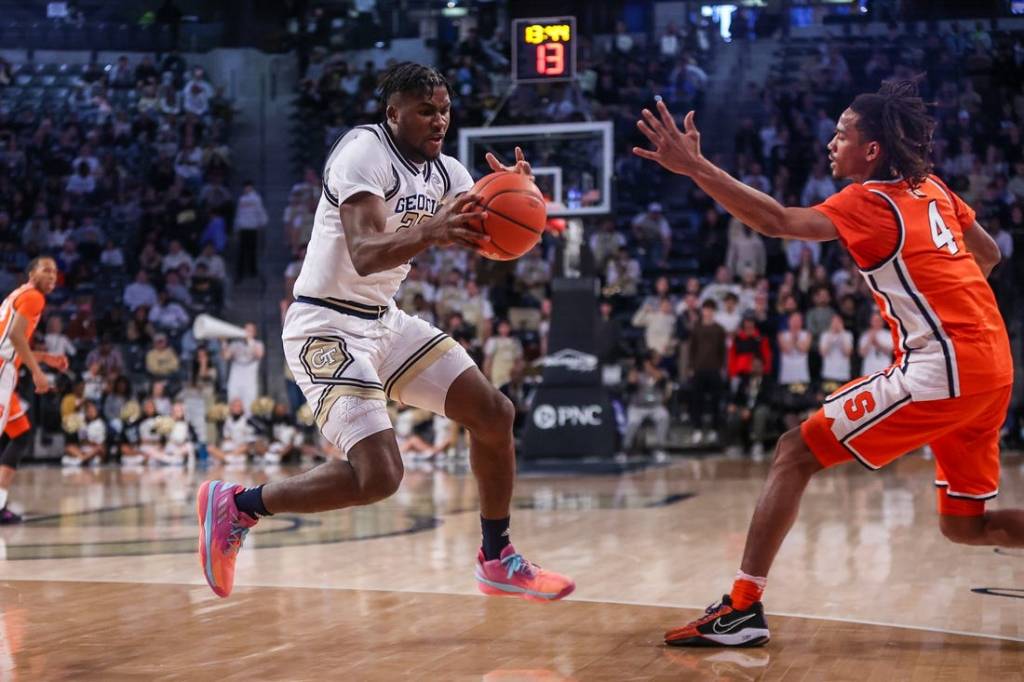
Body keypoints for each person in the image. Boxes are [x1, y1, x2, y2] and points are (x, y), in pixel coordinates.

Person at [635, 81, 1017, 647]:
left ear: (872, 151)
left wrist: (696, 167)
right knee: (965, 526)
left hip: (948, 369)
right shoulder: (931, 187)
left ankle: (742, 609)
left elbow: (775, 222)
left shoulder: (871, 200)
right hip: (995, 367)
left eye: (842, 134)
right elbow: (988, 255)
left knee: (793, 452)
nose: (830, 142)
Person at [196, 62, 574, 601]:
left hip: (383, 320)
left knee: (494, 413)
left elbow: (488, 264)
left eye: (444, 110)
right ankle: (238, 506)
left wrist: (517, 211)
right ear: (393, 113)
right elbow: (366, 252)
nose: (439, 120)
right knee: (379, 477)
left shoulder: (450, 176)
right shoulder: (363, 151)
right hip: (323, 326)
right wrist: (434, 229)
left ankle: (496, 556)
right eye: (426, 110)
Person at [0, 258, 68, 523]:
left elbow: (10, 341)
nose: (52, 275)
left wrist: (45, 358)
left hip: (7, 368)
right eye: (46, 270)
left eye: (55, 272)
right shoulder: (34, 297)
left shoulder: (19, 295)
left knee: (21, 434)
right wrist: (39, 374)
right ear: (32, 273)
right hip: (2, 370)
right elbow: (16, 337)